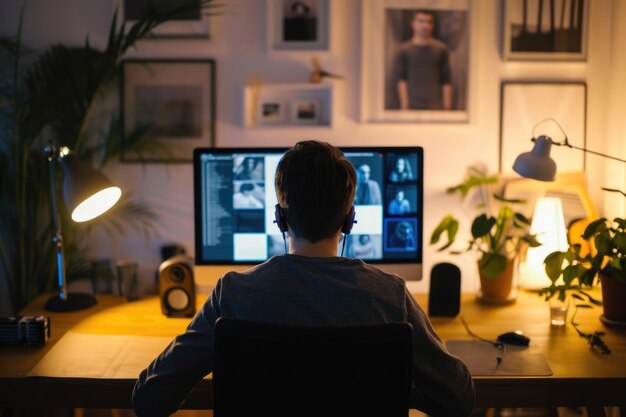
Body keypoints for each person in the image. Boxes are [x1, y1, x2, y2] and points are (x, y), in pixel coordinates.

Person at [132, 140, 475, 417]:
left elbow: (149, 399)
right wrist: (399, 385)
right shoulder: (390, 296)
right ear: (350, 219)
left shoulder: (233, 295)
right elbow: (459, 397)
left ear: (280, 219)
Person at [395, 10, 453, 110]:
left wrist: (447, 107)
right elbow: (402, 79)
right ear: (413, 24)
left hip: (436, 106)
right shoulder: (404, 50)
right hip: (412, 105)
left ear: (433, 25)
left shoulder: (441, 49)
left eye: (429, 22)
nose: (425, 25)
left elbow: (446, 80)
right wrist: (404, 106)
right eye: (421, 21)